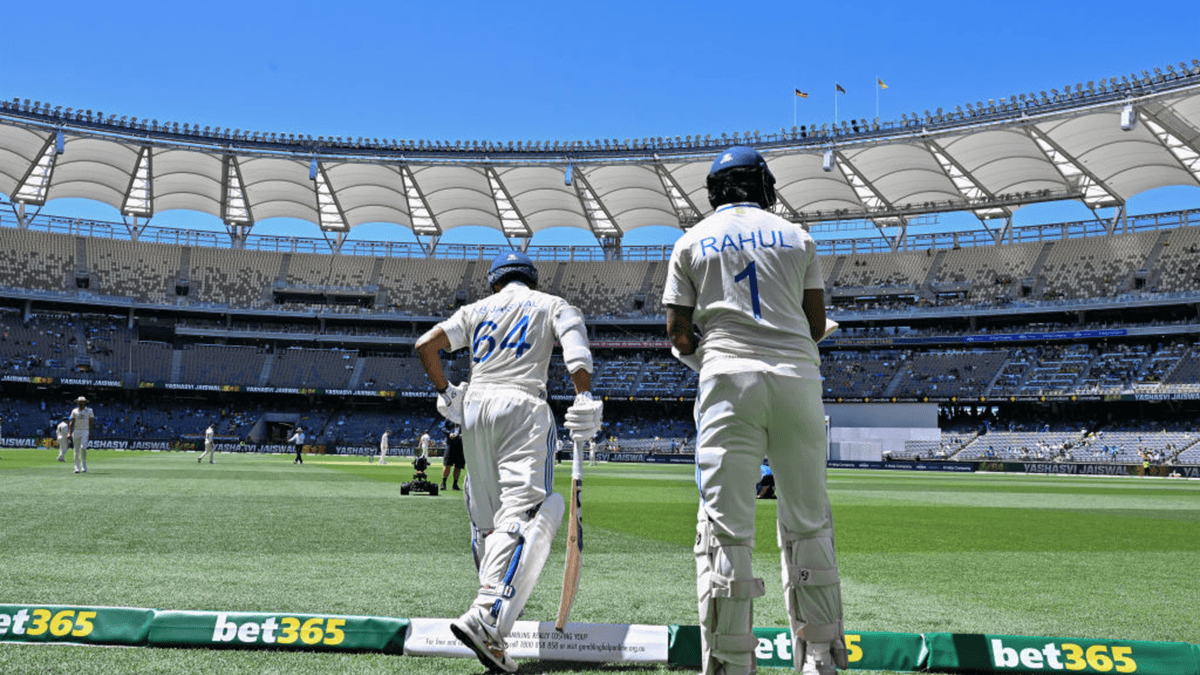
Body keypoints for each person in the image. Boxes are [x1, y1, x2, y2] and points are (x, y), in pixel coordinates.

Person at [663, 146, 847, 675]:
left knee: (725, 527)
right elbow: (815, 325)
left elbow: (677, 332)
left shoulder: (689, 241)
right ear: (764, 185)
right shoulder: (798, 236)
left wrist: (713, 359)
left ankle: (730, 660)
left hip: (724, 380)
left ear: (715, 190)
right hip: (796, 381)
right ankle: (818, 656)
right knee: (809, 520)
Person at [415, 249, 602, 673]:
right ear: (530, 280)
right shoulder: (551, 304)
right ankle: (486, 614)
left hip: (475, 407)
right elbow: (576, 353)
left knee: (487, 520)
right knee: (528, 511)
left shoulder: (476, 309)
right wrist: (584, 396)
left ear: (495, 282)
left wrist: (447, 392)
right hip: (523, 404)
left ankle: (494, 627)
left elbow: (425, 345)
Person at [68, 396, 95, 474]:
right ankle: (77, 467)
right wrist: (69, 432)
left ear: (85, 402)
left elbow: (91, 422)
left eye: (82, 402)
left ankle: (83, 465)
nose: (80, 403)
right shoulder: (74, 411)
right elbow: (71, 422)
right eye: (79, 402)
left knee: (83, 448)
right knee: (76, 450)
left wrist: (91, 432)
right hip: (76, 431)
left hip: (85, 431)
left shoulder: (89, 410)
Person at [441, 425, 465, 491]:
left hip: (461, 446)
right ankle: (443, 483)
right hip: (450, 445)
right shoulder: (450, 419)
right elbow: (443, 428)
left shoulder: (464, 419)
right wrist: (449, 433)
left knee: (458, 466)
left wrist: (464, 434)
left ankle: (455, 484)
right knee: (447, 464)